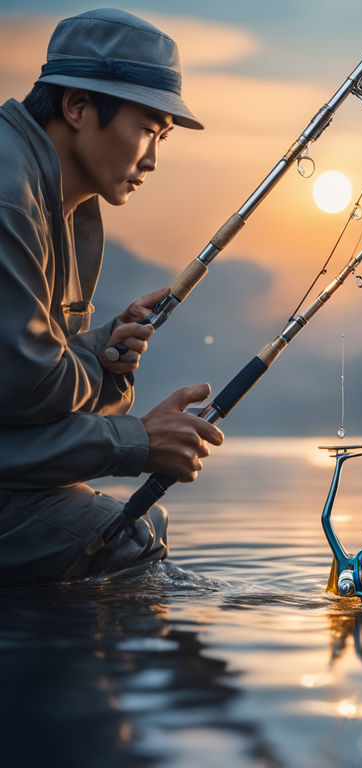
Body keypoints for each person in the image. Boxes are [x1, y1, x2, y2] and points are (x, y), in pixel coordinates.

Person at [0, 9, 224, 586]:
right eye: (148, 128)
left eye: (162, 136)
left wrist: (102, 349)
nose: (152, 158)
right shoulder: (9, 196)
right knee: (122, 538)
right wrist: (137, 440)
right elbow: (28, 392)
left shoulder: (68, 204)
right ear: (76, 106)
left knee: (128, 531)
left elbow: (35, 386)